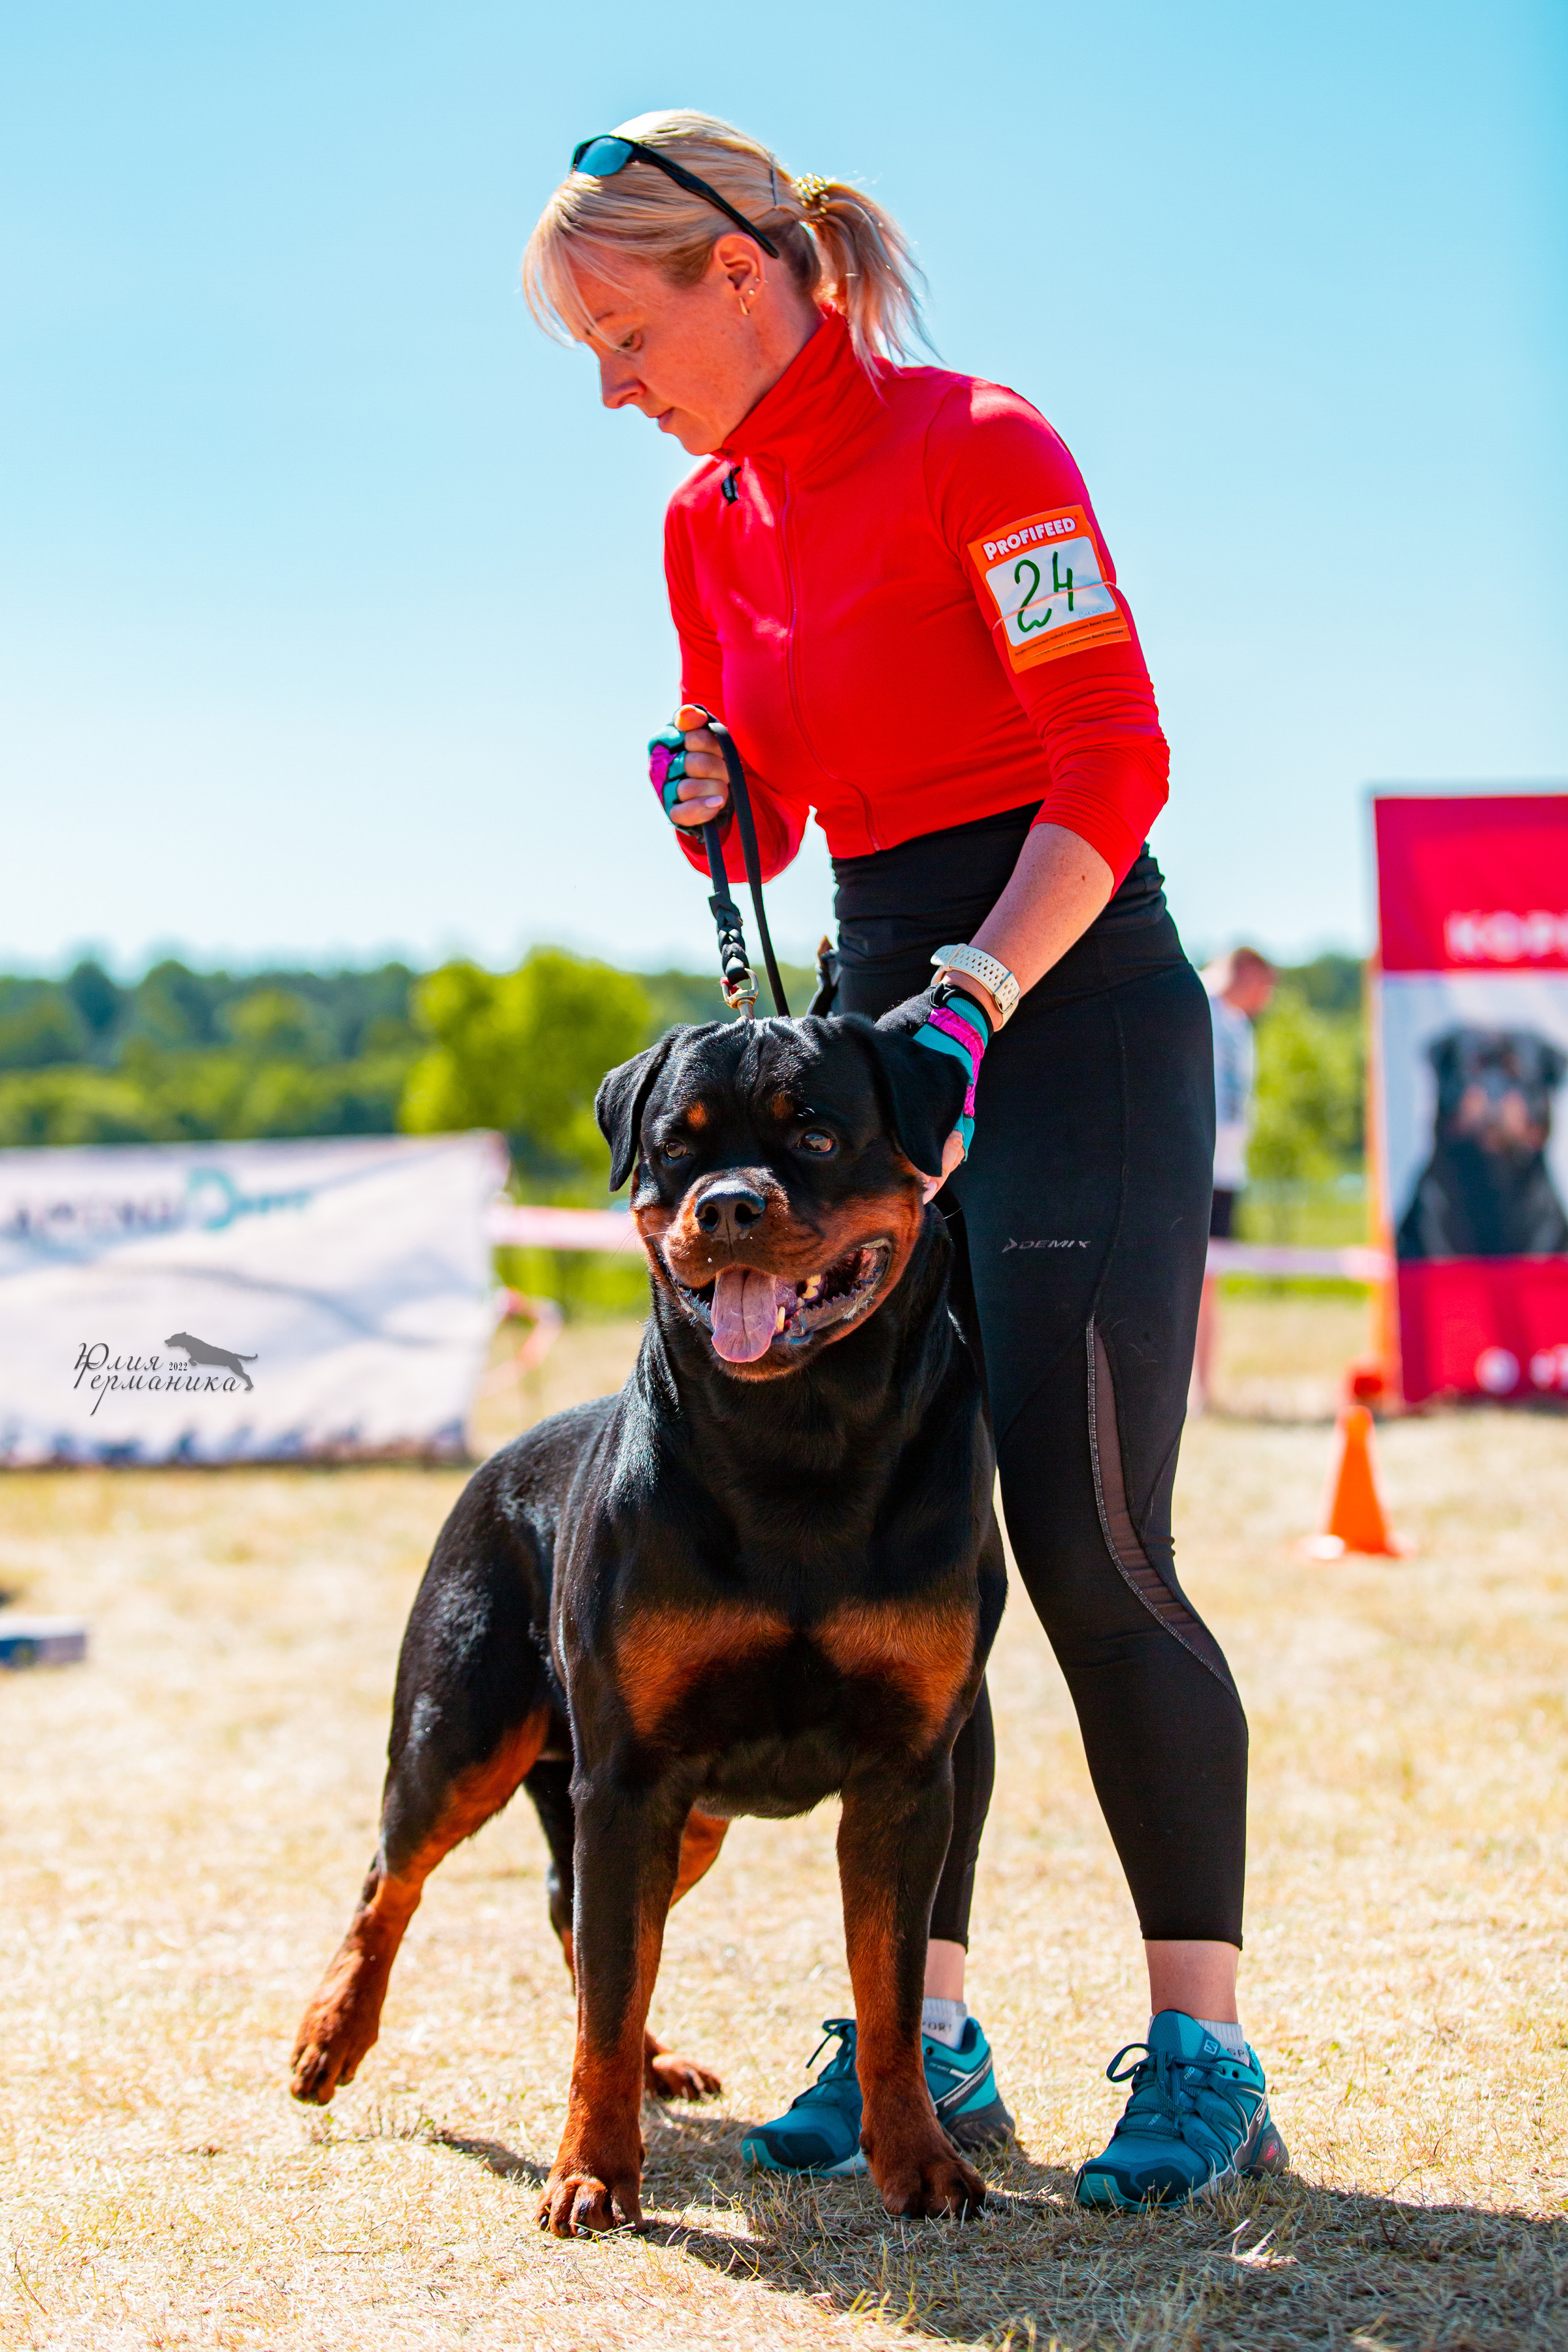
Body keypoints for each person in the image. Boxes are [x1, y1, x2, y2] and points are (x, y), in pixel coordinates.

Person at [524, 113, 1286, 2209]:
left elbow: (1111, 757)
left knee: (1083, 1531)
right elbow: (762, 824)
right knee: (897, 1537)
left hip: (1060, 1006)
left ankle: (1207, 2053)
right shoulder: (703, 522)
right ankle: (918, 2033)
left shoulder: (985, 444)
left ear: (743, 277)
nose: (612, 384)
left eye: (623, 331)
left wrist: (969, 1004)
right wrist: (717, 797)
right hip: (875, 1039)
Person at [1191, 948, 1278, 1411]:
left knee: (1210, 1282)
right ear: (1243, 970)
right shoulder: (1195, 1004)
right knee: (1182, 1278)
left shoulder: (1239, 1026)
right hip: (1194, 1169)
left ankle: (1203, 1388)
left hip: (1225, 1172)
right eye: (1264, 985)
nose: (1267, 997)